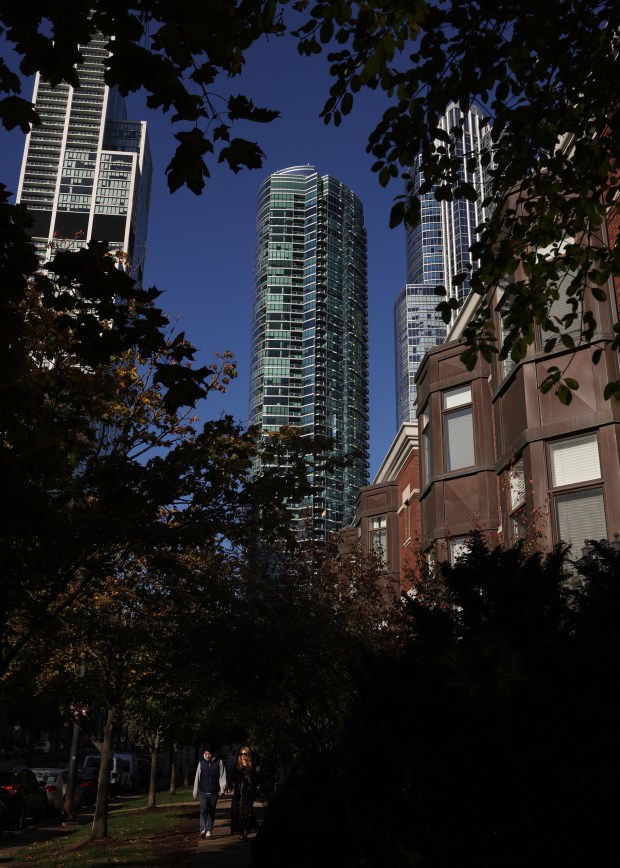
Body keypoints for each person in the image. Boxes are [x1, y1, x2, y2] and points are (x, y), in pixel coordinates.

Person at [193, 744, 227, 839]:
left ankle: (209, 829)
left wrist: (222, 788)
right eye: (206, 754)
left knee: (211, 811)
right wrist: (195, 791)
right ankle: (202, 829)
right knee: (203, 809)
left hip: (214, 792)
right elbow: (197, 778)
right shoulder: (201, 763)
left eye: (209, 754)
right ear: (204, 754)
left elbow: (222, 776)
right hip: (203, 792)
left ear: (212, 754)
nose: (208, 756)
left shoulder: (219, 763)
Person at [230, 745, 257, 841]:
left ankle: (245, 833)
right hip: (238, 793)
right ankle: (241, 832)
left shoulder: (251, 766)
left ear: (248, 755)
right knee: (238, 812)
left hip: (248, 793)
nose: (243, 756)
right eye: (241, 754)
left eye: (245, 754)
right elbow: (232, 777)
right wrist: (229, 787)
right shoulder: (237, 765)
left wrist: (255, 791)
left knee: (247, 813)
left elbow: (254, 779)